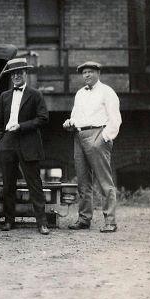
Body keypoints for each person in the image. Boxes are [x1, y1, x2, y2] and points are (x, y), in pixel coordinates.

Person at [63, 61, 122, 233]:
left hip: (98, 135)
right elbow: (76, 116)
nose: (87, 75)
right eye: (84, 73)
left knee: (104, 182)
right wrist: (70, 123)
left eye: (90, 72)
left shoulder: (107, 92)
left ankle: (110, 221)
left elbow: (115, 119)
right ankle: (84, 219)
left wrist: (104, 137)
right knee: (82, 181)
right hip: (79, 136)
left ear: (98, 73)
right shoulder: (80, 93)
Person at [0, 58, 50, 235]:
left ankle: (42, 223)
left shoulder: (35, 95)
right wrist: (2, 138)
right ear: (11, 77)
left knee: (34, 183)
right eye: (13, 74)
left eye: (20, 73)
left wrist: (21, 126)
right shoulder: (4, 96)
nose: (16, 76)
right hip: (8, 143)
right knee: (8, 183)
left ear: (25, 74)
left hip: (28, 141)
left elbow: (43, 118)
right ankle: (9, 221)